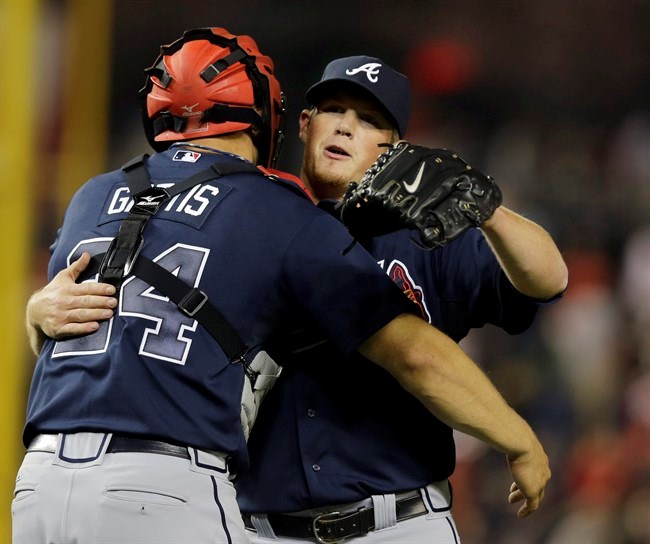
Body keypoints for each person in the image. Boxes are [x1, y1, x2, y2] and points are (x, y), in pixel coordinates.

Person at [22, 52, 559, 544]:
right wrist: (38, 312)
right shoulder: (247, 220)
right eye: (334, 110)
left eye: (370, 120)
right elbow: (128, 332)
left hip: (399, 521)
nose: (347, 126)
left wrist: (487, 210)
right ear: (304, 124)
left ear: (394, 148)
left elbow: (548, 278)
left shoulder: (426, 235)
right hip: (261, 526)